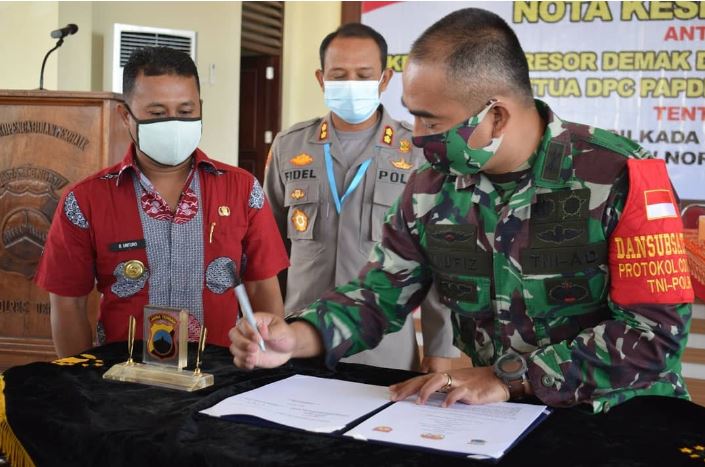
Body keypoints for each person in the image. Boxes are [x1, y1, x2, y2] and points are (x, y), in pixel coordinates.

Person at [229, 8, 694, 413]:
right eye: (412, 114)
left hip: (619, 416)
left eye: (432, 120)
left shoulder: (621, 175)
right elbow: (375, 297)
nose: (416, 133)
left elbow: (655, 336)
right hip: (491, 419)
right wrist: (296, 336)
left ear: (497, 116)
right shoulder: (431, 188)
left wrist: (506, 377)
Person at [36, 46, 288, 357]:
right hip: (122, 381)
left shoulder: (242, 190)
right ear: (126, 116)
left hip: (224, 377)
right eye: (157, 113)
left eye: (185, 111)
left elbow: (262, 287)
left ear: (200, 109)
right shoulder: (85, 201)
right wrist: (81, 380)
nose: (173, 124)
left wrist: (268, 362)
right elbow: (67, 303)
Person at [264, 23, 457, 371]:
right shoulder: (289, 146)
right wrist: (269, 324)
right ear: (322, 79)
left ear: (384, 80)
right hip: (296, 340)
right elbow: (269, 250)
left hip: (381, 348)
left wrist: (440, 349)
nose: (351, 83)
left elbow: (438, 259)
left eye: (363, 74)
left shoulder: (417, 153)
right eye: (339, 74)